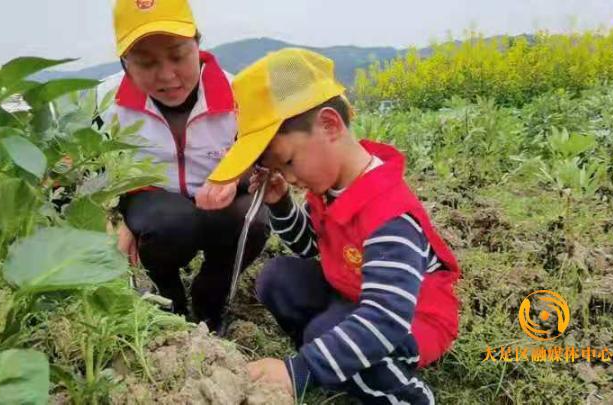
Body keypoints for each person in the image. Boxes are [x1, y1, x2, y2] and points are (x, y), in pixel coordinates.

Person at [205, 49, 461, 404]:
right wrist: (280, 203)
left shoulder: (389, 216)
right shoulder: (331, 186)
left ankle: (403, 393)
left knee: (342, 334)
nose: (290, 178)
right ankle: (331, 359)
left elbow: (386, 318)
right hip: (354, 294)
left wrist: (299, 370)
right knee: (278, 278)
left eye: (289, 162)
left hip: (408, 319)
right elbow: (313, 247)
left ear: (329, 125)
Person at [98, 0, 269, 330]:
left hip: (221, 203)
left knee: (252, 219)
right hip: (154, 206)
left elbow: (266, 161)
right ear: (124, 63)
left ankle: (210, 297)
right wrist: (117, 218)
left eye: (178, 56)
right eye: (145, 63)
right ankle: (168, 297)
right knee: (168, 221)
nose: (167, 76)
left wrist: (233, 178)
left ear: (197, 44)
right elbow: (84, 173)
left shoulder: (240, 95)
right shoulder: (106, 104)